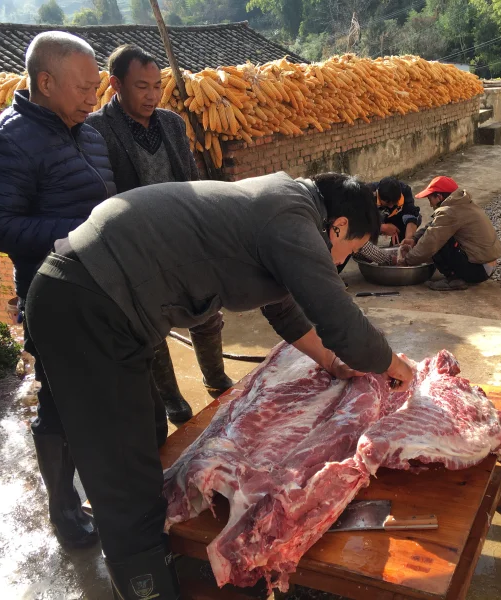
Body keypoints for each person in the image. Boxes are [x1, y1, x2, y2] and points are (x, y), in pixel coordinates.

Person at [24, 171, 414, 597]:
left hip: (71, 291)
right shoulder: (292, 219)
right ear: (338, 225)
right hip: (91, 303)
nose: (339, 262)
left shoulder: (282, 203)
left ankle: (73, 517)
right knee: (127, 481)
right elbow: (338, 317)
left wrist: (330, 362)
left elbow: (285, 310)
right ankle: (147, 587)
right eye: (349, 250)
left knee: (134, 429)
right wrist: (390, 363)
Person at [0, 31, 117, 549]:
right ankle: (64, 510)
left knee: (111, 387)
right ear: (45, 82)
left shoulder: (89, 132)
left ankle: (114, 485)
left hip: (106, 284)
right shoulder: (2, 140)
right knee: (60, 400)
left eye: (96, 87)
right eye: (83, 87)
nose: (93, 97)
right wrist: (72, 237)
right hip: (53, 291)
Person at [86, 44, 232, 425]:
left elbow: (191, 178)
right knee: (152, 325)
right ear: (116, 85)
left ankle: (216, 380)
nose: (152, 95)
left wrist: (204, 223)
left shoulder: (171, 123)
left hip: (182, 238)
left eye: (157, 85)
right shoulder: (96, 130)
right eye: (142, 87)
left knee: (206, 310)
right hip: (134, 247)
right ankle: (171, 399)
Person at [399, 176, 501, 291]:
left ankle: (454, 278)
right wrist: (414, 238)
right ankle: (459, 276)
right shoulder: (462, 204)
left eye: (430, 200)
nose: (430, 205)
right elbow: (434, 225)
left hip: (477, 271)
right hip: (487, 268)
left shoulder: (450, 212)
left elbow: (430, 241)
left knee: (437, 240)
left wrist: (407, 260)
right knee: (438, 232)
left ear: (439, 197)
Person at [367, 176, 421, 245]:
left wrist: (408, 241)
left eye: (394, 202)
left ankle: (399, 244)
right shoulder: (367, 194)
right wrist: (381, 227)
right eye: (387, 202)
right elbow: (357, 223)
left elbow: (411, 216)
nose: (391, 206)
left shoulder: (405, 190)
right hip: (373, 221)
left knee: (417, 218)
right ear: (379, 195)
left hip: (393, 217)